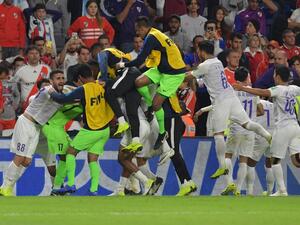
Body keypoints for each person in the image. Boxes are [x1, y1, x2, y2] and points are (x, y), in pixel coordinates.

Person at [191, 40, 271, 179]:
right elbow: (206, 79)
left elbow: (188, 76)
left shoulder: (205, 65)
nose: (198, 53)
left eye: (198, 50)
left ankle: (222, 166)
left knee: (218, 135)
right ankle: (268, 136)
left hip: (221, 101)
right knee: (248, 124)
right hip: (230, 96)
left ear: (202, 51)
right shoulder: (217, 62)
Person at [116, 16, 186, 150]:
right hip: (161, 69)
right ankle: (149, 106)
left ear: (143, 28)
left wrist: (123, 64)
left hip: (173, 74)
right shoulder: (155, 33)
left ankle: (162, 133)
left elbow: (139, 60)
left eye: (138, 31)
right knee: (138, 82)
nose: (138, 34)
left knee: (156, 104)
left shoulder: (151, 37)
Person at [232, 65, 300, 196]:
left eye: (274, 75)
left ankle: (281, 190)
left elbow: (263, 93)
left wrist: (243, 88)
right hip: (296, 127)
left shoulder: (278, 89)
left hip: (283, 128)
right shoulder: (294, 89)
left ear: (278, 77)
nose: (273, 77)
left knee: (275, 160)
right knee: (297, 161)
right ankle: (279, 190)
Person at [49, 64, 114, 195]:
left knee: (70, 152)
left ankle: (71, 184)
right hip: (105, 130)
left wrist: (52, 93)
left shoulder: (84, 89)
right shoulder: (101, 85)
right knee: (93, 158)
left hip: (92, 129)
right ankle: (94, 189)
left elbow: (64, 99)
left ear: (80, 78)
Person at [0, 70, 64, 196]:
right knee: (20, 157)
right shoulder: (47, 90)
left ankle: (7, 187)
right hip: (26, 123)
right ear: (51, 81)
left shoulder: (59, 94)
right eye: (58, 78)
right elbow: (58, 98)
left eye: (62, 78)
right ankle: (5, 187)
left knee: (27, 161)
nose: (61, 80)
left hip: (36, 128)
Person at [221, 67, 264, 196]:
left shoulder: (232, 91)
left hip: (236, 127)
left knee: (228, 155)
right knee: (244, 160)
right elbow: (261, 111)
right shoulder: (253, 91)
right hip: (250, 129)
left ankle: (229, 184)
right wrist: (249, 114)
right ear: (247, 78)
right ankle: (238, 190)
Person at [247, 99, 275, 196]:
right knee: (269, 164)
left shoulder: (258, 102)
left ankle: (249, 191)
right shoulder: (275, 105)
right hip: (274, 135)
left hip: (261, 135)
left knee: (250, 163)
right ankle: (270, 192)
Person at [13, 45, 51, 111]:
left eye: (36, 53)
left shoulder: (46, 68)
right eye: (31, 53)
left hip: (43, 104)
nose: (34, 55)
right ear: (27, 55)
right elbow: (13, 86)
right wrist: (18, 101)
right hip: (26, 106)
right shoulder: (21, 70)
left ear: (40, 55)